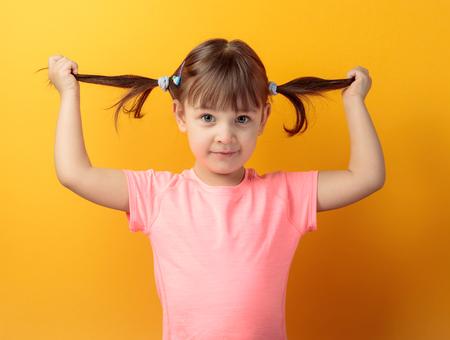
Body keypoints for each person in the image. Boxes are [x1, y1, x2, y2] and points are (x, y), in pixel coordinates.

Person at [47, 38, 385, 339]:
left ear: (263, 118)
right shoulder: (157, 195)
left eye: (241, 119)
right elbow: (75, 173)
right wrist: (69, 94)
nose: (225, 136)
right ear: (180, 115)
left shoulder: (285, 197)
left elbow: (366, 177)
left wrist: (354, 101)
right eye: (208, 117)